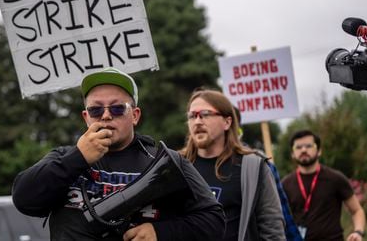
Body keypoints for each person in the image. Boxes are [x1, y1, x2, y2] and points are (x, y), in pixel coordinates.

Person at [12, 67, 226, 241]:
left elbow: (214, 221)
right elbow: (23, 199)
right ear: (86, 117)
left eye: (116, 109)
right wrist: (78, 158)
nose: (105, 116)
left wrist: (161, 232)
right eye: (96, 110)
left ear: (134, 115)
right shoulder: (63, 158)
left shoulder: (164, 160)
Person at [180, 88, 285, 241]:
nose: (197, 121)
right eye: (192, 116)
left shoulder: (253, 167)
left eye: (205, 114)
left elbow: (272, 228)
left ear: (227, 122)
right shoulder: (176, 166)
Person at [282, 130, 366, 241]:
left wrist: (358, 232)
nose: (303, 150)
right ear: (293, 154)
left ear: (319, 150)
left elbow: (357, 210)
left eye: (308, 146)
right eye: (298, 147)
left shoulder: (336, 178)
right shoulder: (285, 184)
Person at [233, 107, 303, 241]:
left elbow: (278, 218)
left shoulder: (259, 165)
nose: (199, 122)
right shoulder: (188, 165)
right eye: (193, 116)